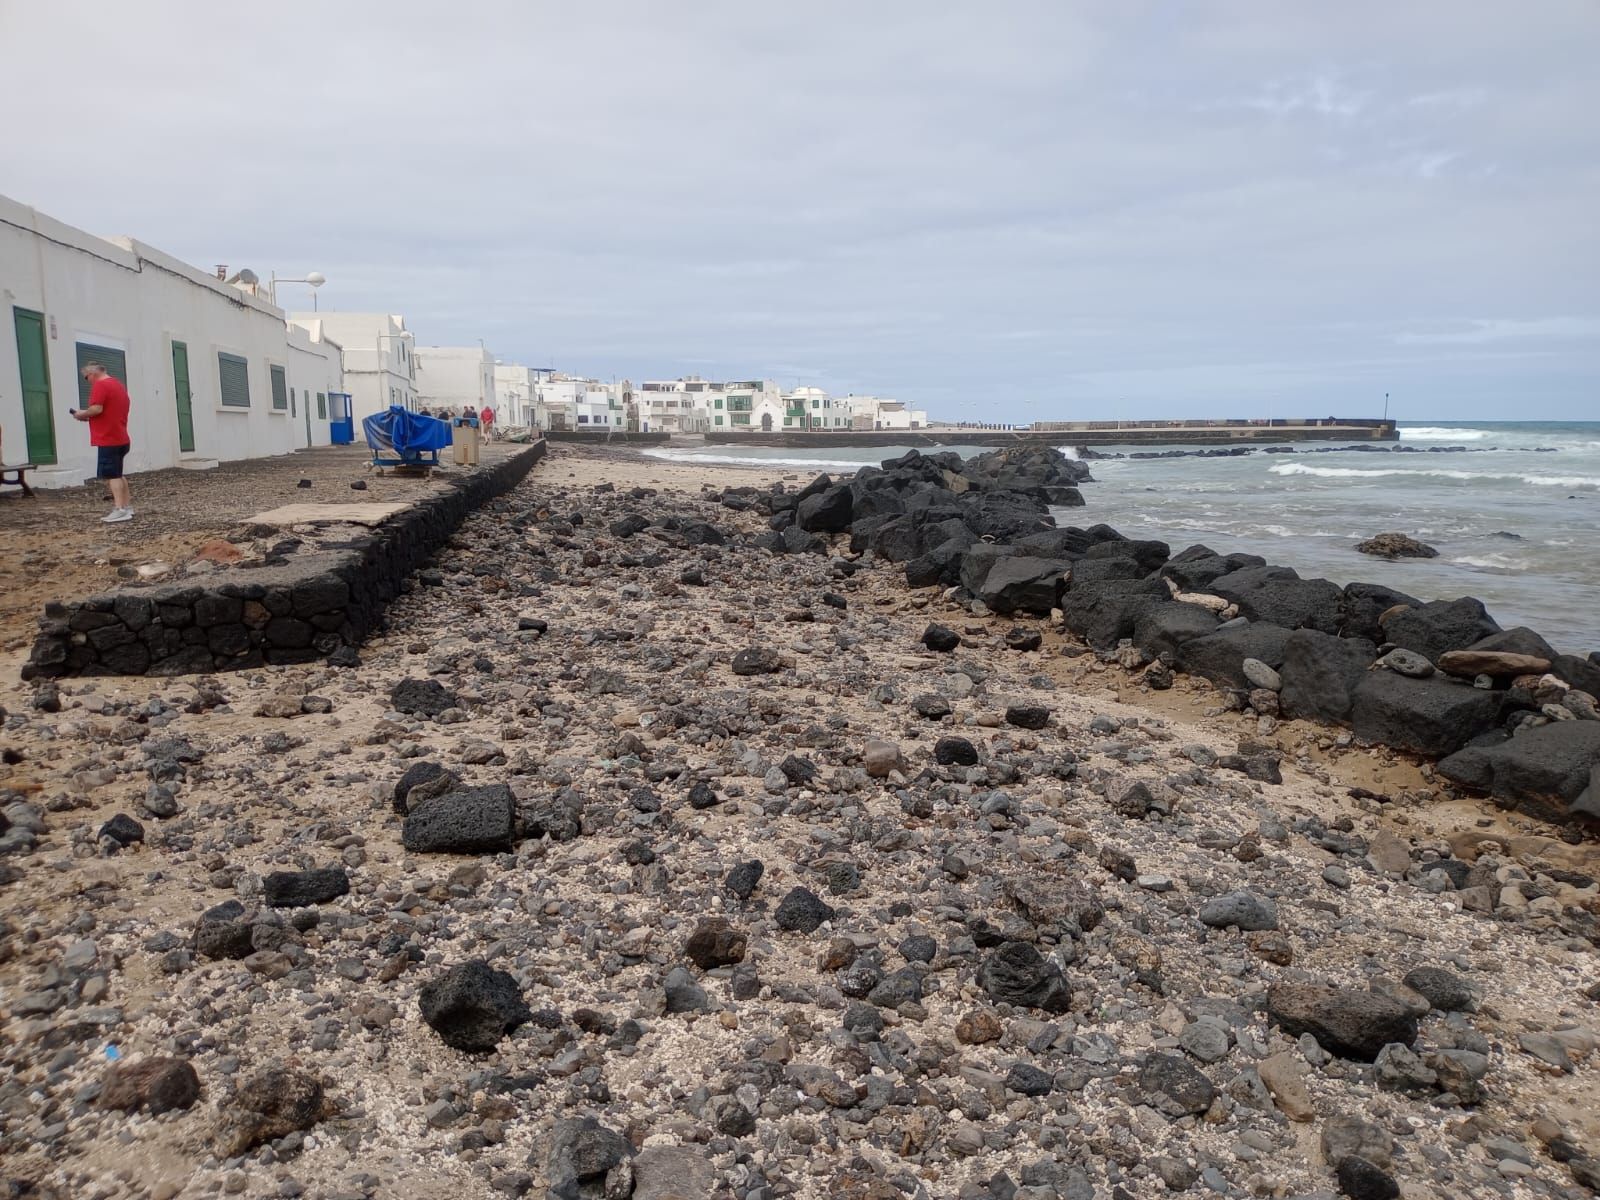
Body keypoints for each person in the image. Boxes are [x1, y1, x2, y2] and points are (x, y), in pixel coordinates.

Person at [71, 361, 133, 523]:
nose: (88, 381)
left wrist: (81, 414)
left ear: (93, 373)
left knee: (111, 475)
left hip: (108, 438)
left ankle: (119, 509)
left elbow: (97, 408)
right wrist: (90, 418)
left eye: (86, 377)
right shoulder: (118, 385)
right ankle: (126, 507)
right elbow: (108, 412)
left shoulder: (100, 385)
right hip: (121, 437)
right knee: (118, 473)